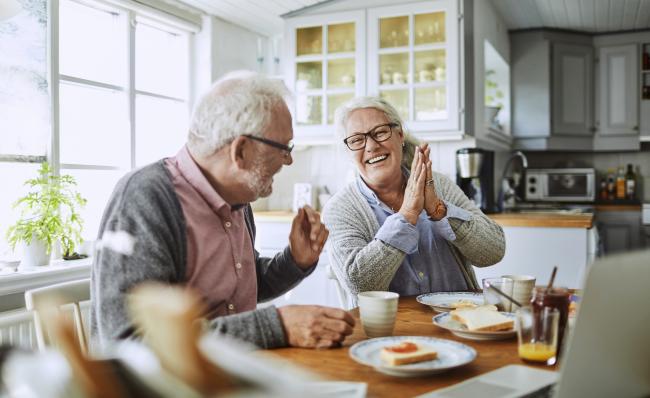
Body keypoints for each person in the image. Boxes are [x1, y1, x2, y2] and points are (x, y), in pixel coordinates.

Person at [90, 71, 354, 351]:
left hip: (236, 376)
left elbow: (241, 290)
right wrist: (277, 326)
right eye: (283, 148)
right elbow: (128, 343)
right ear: (240, 151)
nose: (288, 160)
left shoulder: (237, 198)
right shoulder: (145, 198)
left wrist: (295, 261)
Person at [322, 97, 505, 307]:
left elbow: (493, 251)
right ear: (348, 151)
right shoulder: (340, 209)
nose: (371, 146)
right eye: (356, 140)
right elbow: (360, 284)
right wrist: (407, 215)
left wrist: (439, 210)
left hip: (460, 320)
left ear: (400, 135)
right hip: (391, 334)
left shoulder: (439, 185)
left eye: (380, 132)